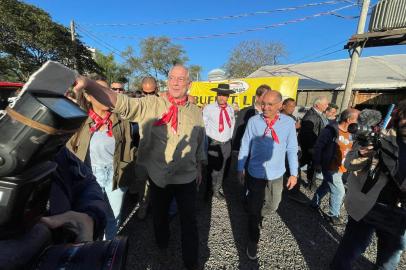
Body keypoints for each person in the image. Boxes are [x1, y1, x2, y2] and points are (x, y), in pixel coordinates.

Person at [73, 65, 206, 270]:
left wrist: (198, 165)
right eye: (172, 77)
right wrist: (89, 84)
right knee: (159, 218)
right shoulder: (152, 103)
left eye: (181, 79)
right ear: (167, 81)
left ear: (189, 83)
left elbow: (199, 140)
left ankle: (192, 263)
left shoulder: (196, 112)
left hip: (186, 178)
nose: (176, 82)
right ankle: (162, 245)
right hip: (158, 177)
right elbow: (123, 103)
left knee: (190, 222)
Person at [330, 101, 406, 270]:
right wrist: (362, 153)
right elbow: (350, 164)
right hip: (369, 206)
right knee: (350, 250)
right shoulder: (378, 136)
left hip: (400, 213)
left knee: (389, 260)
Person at [67, 79, 135, 240]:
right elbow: (69, 149)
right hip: (90, 175)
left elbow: (128, 147)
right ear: (89, 97)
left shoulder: (121, 120)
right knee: (89, 217)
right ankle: (90, 249)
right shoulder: (80, 120)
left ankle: (106, 249)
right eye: (98, 92)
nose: (105, 96)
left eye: (107, 92)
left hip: (115, 175)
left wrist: (127, 173)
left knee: (114, 217)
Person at [237, 90, 298, 260]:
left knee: (273, 205)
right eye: (263, 103)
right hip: (255, 172)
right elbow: (245, 145)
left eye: (270, 104)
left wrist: (294, 173)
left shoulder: (288, 123)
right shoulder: (253, 121)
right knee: (253, 208)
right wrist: (240, 168)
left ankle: (257, 216)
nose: (265, 107)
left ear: (280, 105)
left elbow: (292, 149)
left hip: (277, 173)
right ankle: (252, 239)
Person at [310, 108, 360, 225]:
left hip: (341, 167)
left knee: (326, 186)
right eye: (358, 119)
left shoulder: (353, 133)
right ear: (349, 120)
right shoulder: (331, 130)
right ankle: (333, 215)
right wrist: (317, 162)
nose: (360, 122)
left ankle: (313, 203)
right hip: (330, 166)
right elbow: (318, 147)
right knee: (339, 191)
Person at [203, 83, 235, 200]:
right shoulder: (208, 108)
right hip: (213, 143)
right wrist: (205, 145)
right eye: (220, 94)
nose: (222, 97)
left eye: (225, 95)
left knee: (222, 170)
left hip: (226, 143)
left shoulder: (230, 109)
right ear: (216, 95)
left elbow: (232, 126)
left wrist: (229, 140)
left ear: (228, 96)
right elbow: (204, 127)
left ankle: (216, 190)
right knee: (211, 170)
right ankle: (207, 191)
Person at [298, 96, 329, 189]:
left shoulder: (318, 114)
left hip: (315, 145)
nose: (327, 106)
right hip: (311, 146)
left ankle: (310, 184)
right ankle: (308, 184)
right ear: (317, 105)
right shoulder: (312, 115)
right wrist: (311, 147)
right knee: (307, 163)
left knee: (308, 163)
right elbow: (306, 134)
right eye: (325, 104)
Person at [232, 84, 270, 151]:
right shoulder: (244, 112)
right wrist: (236, 150)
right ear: (257, 97)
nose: (268, 99)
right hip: (248, 151)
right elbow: (238, 133)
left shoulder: (271, 113)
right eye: (265, 96)